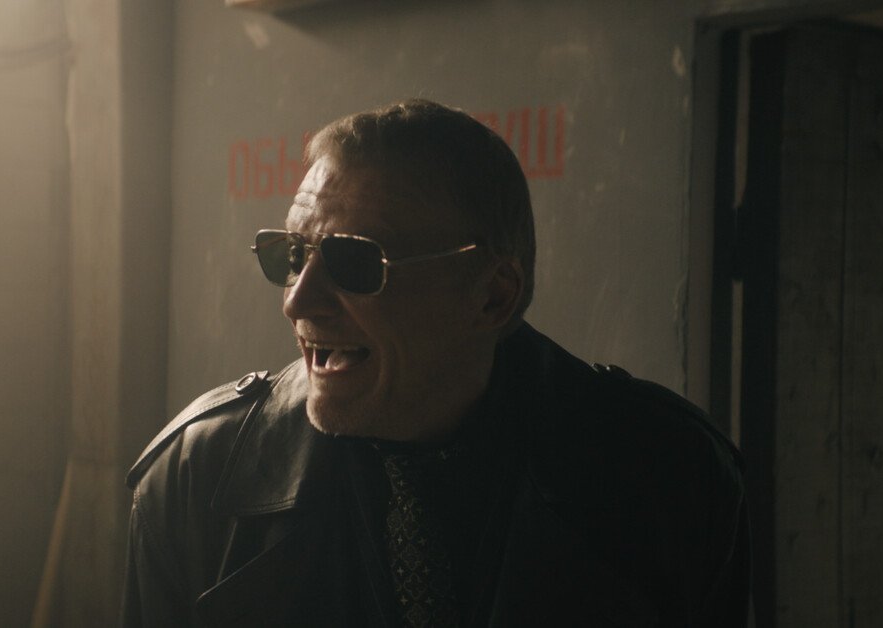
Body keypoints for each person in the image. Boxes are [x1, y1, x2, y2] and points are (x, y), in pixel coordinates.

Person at [122, 99, 749, 627]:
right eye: (292, 253)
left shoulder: (672, 475)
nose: (298, 300)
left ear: (492, 295)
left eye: (354, 262)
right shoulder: (194, 479)